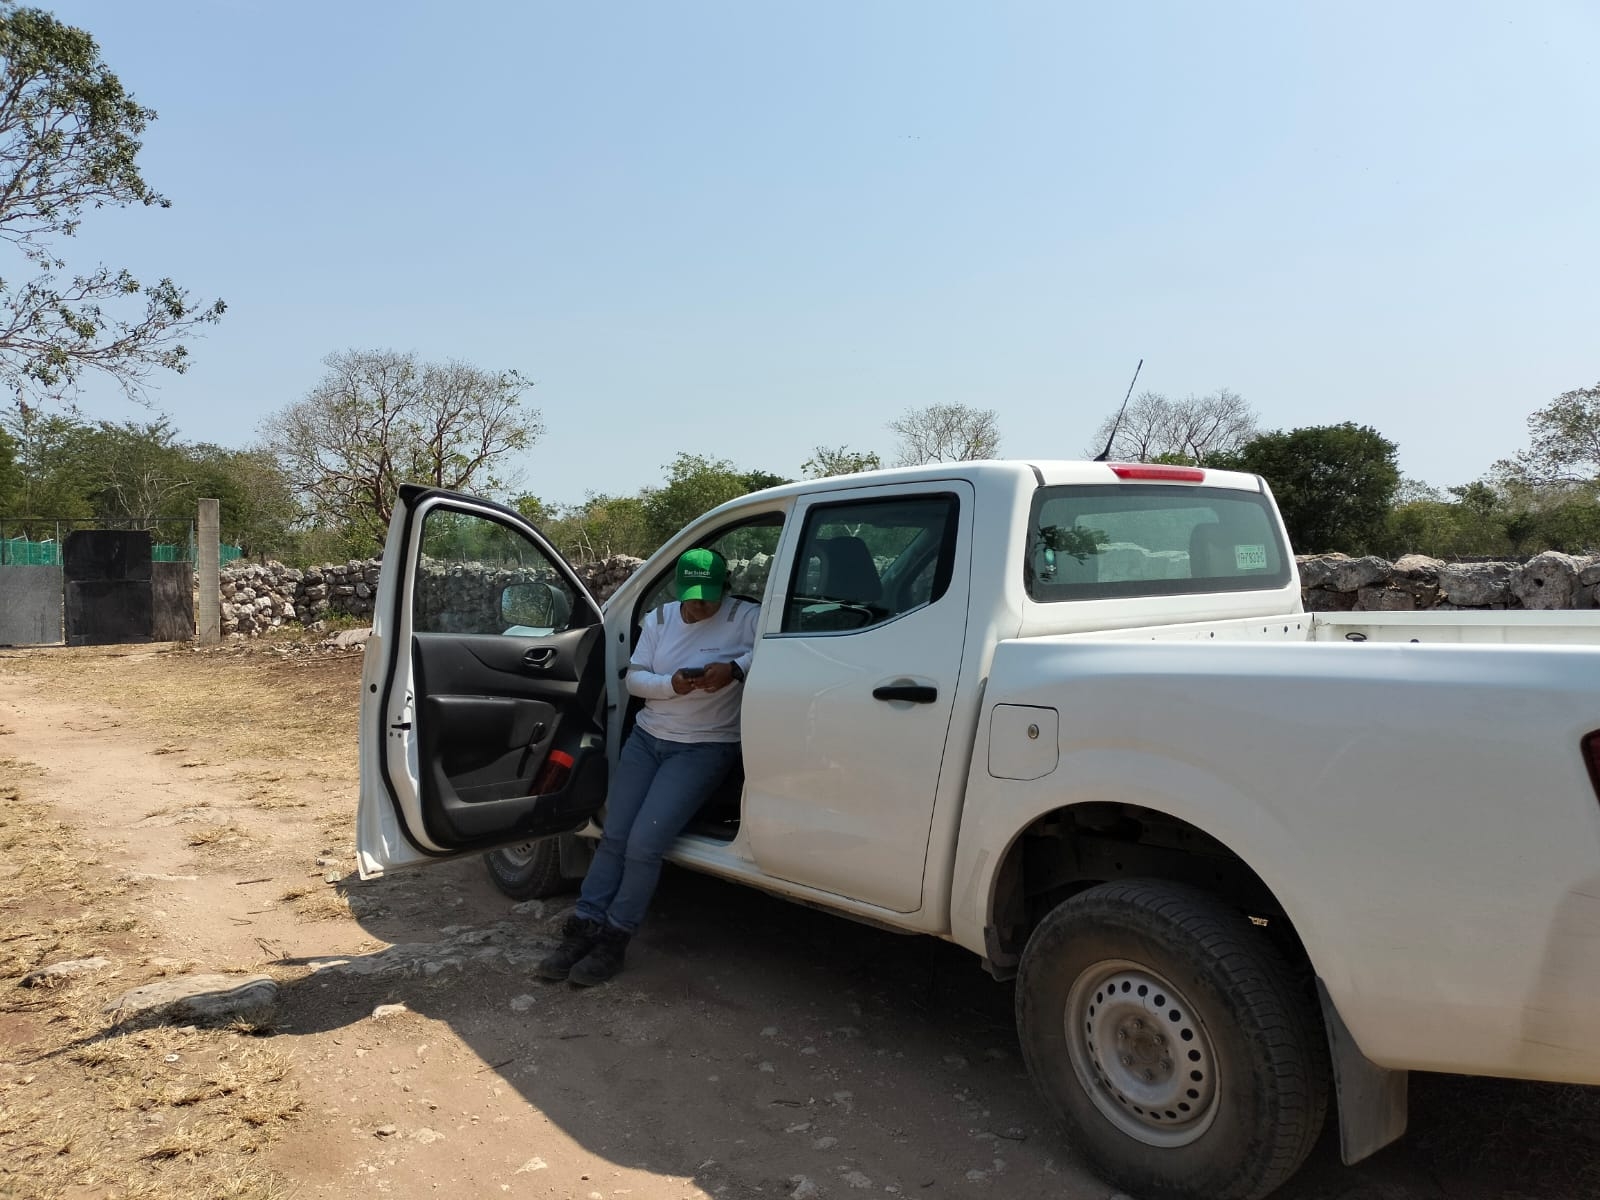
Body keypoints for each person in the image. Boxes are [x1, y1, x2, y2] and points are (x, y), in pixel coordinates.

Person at [538, 547, 759, 986]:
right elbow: (635, 678)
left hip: (703, 747)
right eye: (693, 597)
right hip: (648, 740)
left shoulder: (747, 618)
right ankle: (583, 926)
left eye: (709, 596)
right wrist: (673, 685)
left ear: (724, 588)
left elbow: (781, 651)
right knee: (614, 835)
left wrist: (734, 669)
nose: (701, 606)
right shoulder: (659, 620)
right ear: (679, 589)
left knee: (644, 843)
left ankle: (614, 940)